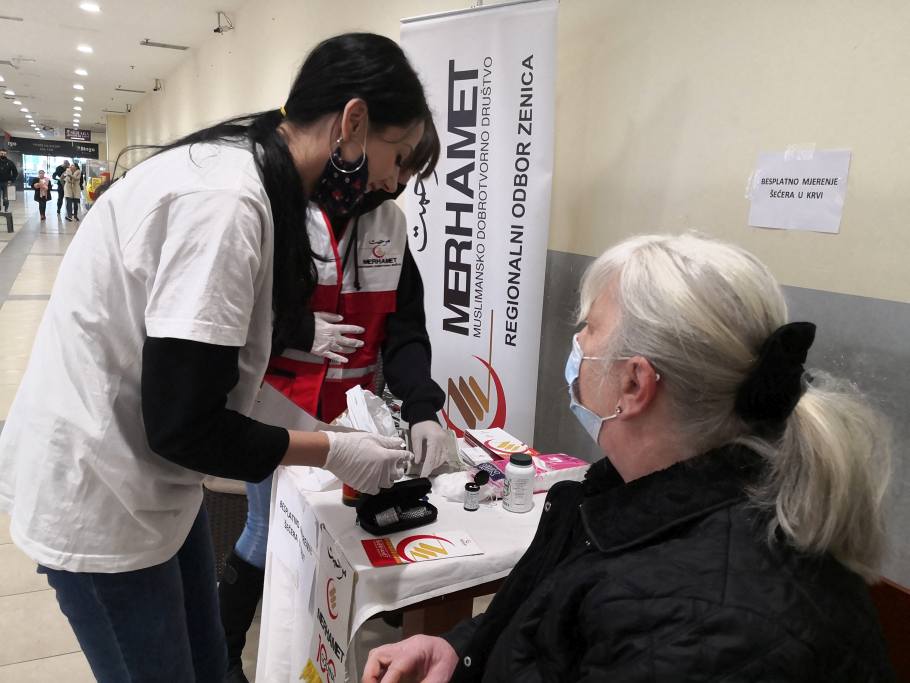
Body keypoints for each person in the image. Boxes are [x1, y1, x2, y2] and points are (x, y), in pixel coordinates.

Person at [0, 32, 435, 683]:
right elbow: (185, 425)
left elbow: (216, 375)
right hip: (101, 499)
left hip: (151, 487)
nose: (391, 184)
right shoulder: (227, 202)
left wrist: (332, 430)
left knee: (208, 665)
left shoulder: (249, 177)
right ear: (352, 122)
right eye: (395, 157)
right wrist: (330, 450)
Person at [364, 233, 895, 683]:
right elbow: (542, 623)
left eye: (590, 327)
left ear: (635, 383)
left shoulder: (704, 631)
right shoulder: (621, 493)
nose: (577, 340)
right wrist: (460, 650)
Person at [219, 120, 447, 683]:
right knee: (265, 530)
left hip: (352, 414)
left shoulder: (390, 225)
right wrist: (298, 330)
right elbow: (234, 309)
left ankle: (317, 649)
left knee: (342, 533)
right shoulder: (280, 209)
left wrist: (423, 408)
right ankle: (221, 656)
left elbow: (405, 330)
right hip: (277, 407)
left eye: (412, 171)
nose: (398, 180)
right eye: (399, 160)